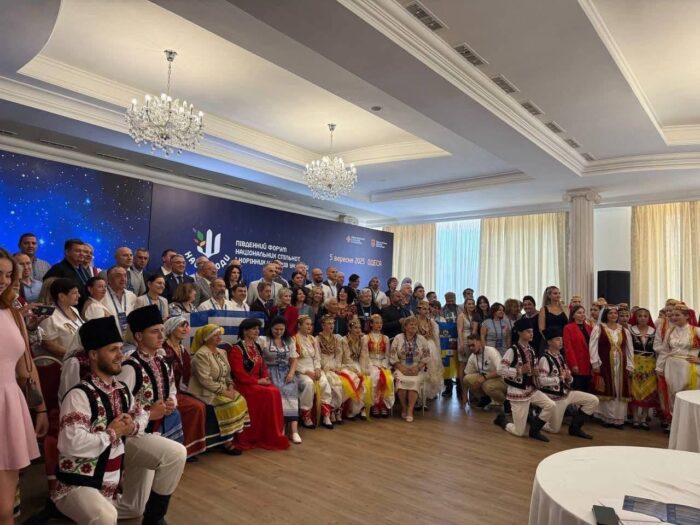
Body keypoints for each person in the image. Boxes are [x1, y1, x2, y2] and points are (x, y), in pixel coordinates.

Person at [52, 317, 186, 525]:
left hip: (109, 472)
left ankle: (152, 518)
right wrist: (112, 433)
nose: (120, 355)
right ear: (94, 354)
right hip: (78, 480)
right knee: (105, 517)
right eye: (113, 350)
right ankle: (72, 508)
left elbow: (141, 414)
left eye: (121, 349)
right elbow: (70, 444)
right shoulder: (79, 395)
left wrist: (132, 426)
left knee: (134, 508)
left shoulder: (121, 390)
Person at [0, 247, 48, 524]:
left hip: (9, 405)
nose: (4, 281)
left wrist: (40, 408)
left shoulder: (13, 312)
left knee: (4, 509)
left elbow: (25, 366)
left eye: (9, 275)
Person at [118, 305, 184, 460]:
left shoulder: (163, 361)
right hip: (136, 433)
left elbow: (172, 389)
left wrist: (171, 401)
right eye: (154, 331)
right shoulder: (130, 367)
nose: (161, 336)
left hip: (160, 425)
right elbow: (120, 406)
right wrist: (150, 414)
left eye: (162, 330)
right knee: (174, 455)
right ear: (139, 336)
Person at [228, 318, 290, 450]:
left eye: (258, 329)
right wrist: (257, 381)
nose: (257, 331)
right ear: (245, 331)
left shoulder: (256, 347)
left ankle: (271, 433)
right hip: (244, 384)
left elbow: (263, 366)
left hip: (258, 382)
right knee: (269, 393)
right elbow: (238, 373)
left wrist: (265, 377)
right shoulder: (237, 349)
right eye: (253, 329)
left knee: (274, 391)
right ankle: (255, 434)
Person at [188, 325, 250, 455]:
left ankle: (228, 437)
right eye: (215, 335)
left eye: (219, 334)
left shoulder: (222, 352)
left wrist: (230, 386)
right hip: (204, 391)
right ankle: (225, 442)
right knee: (230, 404)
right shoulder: (201, 354)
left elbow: (227, 374)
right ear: (206, 338)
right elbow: (205, 381)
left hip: (221, 388)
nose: (219, 337)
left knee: (241, 399)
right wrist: (225, 392)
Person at [494, 319, 555, 441]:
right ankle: (502, 421)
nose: (531, 334)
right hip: (517, 391)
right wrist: (519, 371)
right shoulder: (512, 350)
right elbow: (500, 370)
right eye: (528, 331)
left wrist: (535, 372)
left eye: (532, 331)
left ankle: (534, 430)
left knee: (550, 405)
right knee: (519, 432)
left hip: (530, 389)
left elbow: (531, 370)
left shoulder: (531, 350)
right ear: (520, 333)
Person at [537, 326, 599, 439]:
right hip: (555, 398)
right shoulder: (544, 359)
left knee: (593, 400)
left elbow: (568, 377)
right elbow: (541, 381)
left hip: (567, 393)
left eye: (561, 339)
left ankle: (575, 428)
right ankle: (536, 420)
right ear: (549, 342)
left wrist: (569, 377)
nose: (561, 342)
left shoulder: (560, 356)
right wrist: (559, 378)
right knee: (554, 429)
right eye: (557, 339)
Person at [162, 317, 207, 459]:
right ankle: (184, 448)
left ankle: (189, 447)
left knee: (201, 402)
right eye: (181, 326)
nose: (185, 330)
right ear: (171, 328)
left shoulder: (182, 349)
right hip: (167, 393)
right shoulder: (164, 350)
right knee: (197, 407)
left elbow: (188, 374)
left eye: (186, 326)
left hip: (180, 390)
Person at [258, 317, 301, 444]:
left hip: (286, 372)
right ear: (271, 328)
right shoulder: (263, 340)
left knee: (291, 391)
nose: (279, 332)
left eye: (281, 329)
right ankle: (279, 428)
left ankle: (294, 431)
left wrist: (291, 373)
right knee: (279, 392)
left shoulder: (289, 340)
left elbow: (294, 359)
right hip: (270, 372)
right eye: (276, 329)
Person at [589, 306, 634, 428]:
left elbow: (629, 348)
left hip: (621, 364)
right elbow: (593, 346)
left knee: (619, 389)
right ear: (606, 315)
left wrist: (630, 364)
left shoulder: (624, 330)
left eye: (615, 313)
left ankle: (619, 418)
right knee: (608, 387)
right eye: (610, 313)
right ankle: (607, 417)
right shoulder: (599, 328)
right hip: (605, 363)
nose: (613, 315)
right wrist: (595, 362)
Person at [656, 302, 700, 416]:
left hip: (689, 367)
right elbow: (665, 350)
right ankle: (675, 421)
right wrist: (659, 367)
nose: (674, 317)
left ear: (687, 316)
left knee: (688, 395)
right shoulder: (670, 331)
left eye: (677, 315)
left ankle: (689, 421)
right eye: (672, 315)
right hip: (671, 366)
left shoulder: (696, 330)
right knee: (672, 393)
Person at [294, 315, 332, 428]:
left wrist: (317, 369)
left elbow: (317, 357)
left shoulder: (312, 339)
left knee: (324, 382)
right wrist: (306, 372)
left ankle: (326, 415)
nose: (309, 326)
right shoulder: (293, 339)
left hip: (314, 369)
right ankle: (306, 415)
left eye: (311, 324)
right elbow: (293, 361)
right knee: (309, 384)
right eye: (307, 324)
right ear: (299, 325)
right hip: (300, 371)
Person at [390, 316, 430, 422]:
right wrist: (401, 368)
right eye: (411, 324)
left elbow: (426, 356)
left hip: (417, 367)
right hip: (400, 366)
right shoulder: (398, 338)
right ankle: (404, 407)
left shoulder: (422, 339)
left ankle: (410, 409)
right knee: (401, 382)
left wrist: (417, 368)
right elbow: (392, 355)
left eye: (415, 325)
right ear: (405, 327)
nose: (414, 326)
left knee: (414, 382)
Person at [38, 278, 84, 360]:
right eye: (74, 293)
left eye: (78, 292)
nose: (79, 295)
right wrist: (74, 355)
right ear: (61, 296)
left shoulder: (74, 309)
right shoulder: (49, 316)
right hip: (60, 363)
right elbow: (47, 344)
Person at [629, 308, 657, 430]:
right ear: (636, 317)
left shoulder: (654, 331)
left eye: (645, 316)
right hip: (635, 362)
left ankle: (644, 418)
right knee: (635, 390)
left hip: (650, 363)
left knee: (648, 390)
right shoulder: (631, 330)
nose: (643, 318)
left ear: (648, 317)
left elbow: (657, 349)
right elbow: (628, 349)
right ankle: (635, 417)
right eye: (640, 316)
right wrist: (629, 364)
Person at [317, 315, 348, 425]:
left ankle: (336, 409)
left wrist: (337, 366)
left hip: (334, 365)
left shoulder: (336, 338)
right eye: (329, 323)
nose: (331, 326)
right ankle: (329, 412)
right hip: (323, 366)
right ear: (322, 325)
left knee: (344, 382)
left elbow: (339, 355)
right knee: (330, 382)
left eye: (333, 323)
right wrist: (325, 367)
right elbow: (317, 356)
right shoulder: (317, 339)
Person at [462, 335, 507, 410]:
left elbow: (501, 371)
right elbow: (466, 374)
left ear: (479, 342)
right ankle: (485, 399)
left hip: (500, 379)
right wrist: (464, 395)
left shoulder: (491, 351)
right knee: (466, 379)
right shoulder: (473, 356)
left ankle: (506, 402)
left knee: (487, 386)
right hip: (486, 379)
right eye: (469, 346)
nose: (471, 348)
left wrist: (483, 378)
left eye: (473, 345)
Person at [363, 314, 394, 417]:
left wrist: (384, 365)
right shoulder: (366, 338)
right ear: (371, 324)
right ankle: (375, 404)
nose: (379, 325)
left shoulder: (385, 338)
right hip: (371, 363)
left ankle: (384, 404)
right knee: (374, 378)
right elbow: (365, 354)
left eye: (380, 323)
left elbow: (387, 354)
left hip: (382, 363)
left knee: (389, 379)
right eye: (376, 323)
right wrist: (371, 365)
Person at [44, 239, 90, 306]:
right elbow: (48, 294)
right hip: (67, 308)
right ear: (67, 252)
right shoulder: (57, 269)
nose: (82, 254)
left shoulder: (83, 270)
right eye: (77, 251)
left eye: (83, 251)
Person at [340, 318, 369, 419]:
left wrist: (362, 370)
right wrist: (355, 370)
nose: (358, 330)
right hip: (347, 365)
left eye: (359, 328)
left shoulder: (363, 339)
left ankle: (361, 408)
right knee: (354, 380)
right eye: (355, 328)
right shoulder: (344, 340)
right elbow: (347, 358)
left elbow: (364, 356)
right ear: (350, 328)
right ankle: (351, 409)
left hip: (359, 364)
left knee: (365, 379)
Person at [416, 300, 444, 400]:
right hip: (418, 346)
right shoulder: (414, 321)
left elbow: (435, 338)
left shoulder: (432, 323)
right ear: (419, 310)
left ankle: (427, 394)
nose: (426, 311)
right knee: (420, 370)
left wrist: (437, 350)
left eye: (428, 309)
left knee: (430, 370)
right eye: (424, 309)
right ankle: (418, 395)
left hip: (430, 347)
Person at [563, 305, 593, 391]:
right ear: (573, 315)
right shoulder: (568, 328)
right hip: (577, 361)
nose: (582, 314)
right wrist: (573, 364)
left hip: (588, 362)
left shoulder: (589, 328)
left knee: (588, 389)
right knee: (578, 388)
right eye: (579, 313)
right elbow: (568, 348)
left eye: (583, 312)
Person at [101, 266, 137, 336]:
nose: (123, 279)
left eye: (125, 275)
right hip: (110, 338)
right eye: (118, 276)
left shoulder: (132, 296)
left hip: (130, 338)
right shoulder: (102, 296)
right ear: (109, 280)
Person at [457, 298, 477, 403]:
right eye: (469, 304)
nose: (471, 305)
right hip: (464, 341)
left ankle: (472, 393)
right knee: (463, 366)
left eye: (473, 303)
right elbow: (459, 331)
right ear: (465, 305)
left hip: (473, 341)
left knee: (472, 366)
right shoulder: (461, 316)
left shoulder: (475, 315)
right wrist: (461, 344)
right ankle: (464, 393)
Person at [538, 286, 568, 354]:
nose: (558, 295)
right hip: (549, 342)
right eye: (555, 293)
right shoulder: (543, 309)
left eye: (559, 293)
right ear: (549, 296)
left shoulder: (565, 309)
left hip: (564, 342)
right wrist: (550, 342)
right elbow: (541, 329)